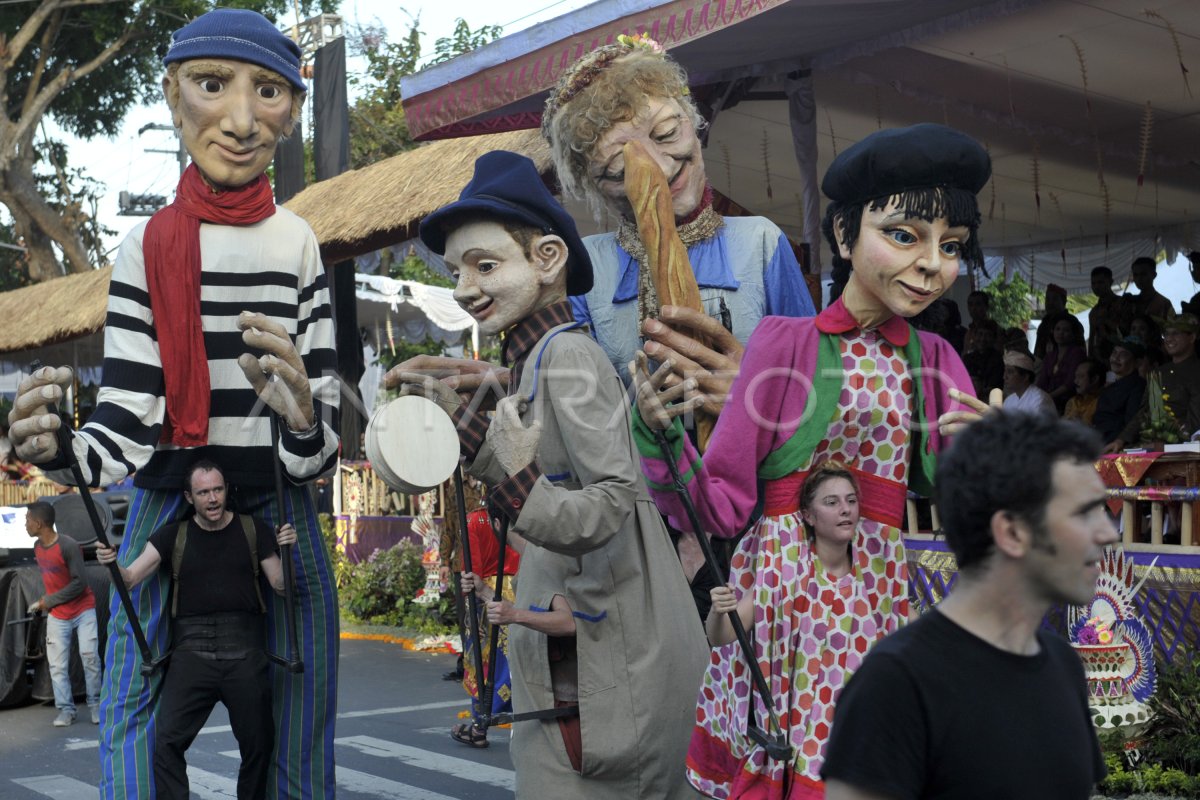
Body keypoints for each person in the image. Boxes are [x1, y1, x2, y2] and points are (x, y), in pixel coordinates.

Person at [5, 10, 341, 799]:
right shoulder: (144, 246)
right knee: (128, 695)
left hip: (277, 494)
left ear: (291, 110)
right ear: (171, 93)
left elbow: (320, 427)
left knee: (305, 697)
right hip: (165, 493)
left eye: (267, 93)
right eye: (212, 85)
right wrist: (60, 450)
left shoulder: (298, 243)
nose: (239, 119)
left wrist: (299, 415)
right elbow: (128, 411)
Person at [634, 122, 987, 797]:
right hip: (781, 601)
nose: (932, 264)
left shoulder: (937, 360)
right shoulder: (783, 343)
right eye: (906, 236)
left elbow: (971, 510)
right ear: (846, 237)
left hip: (879, 597)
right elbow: (723, 504)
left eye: (953, 247)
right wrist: (662, 439)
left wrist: (994, 454)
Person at [393, 150, 708, 797]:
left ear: (546, 259)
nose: (464, 288)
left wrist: (509, 467)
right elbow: (532, 478)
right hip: (589, 654)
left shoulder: (568, 356)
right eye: (457, 271)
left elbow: (611, 501)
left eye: (485, 265)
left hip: (612, 661)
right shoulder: (539, 359)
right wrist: (472, 435)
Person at [820, 411, 1114, 800]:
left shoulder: (1063, 665)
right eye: (1083, 512)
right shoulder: (896, 683)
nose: (1109, 532)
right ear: (1011, 532)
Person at [541, 34, 816, 389]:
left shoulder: (760, 241)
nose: (660, 170)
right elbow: (580, 398)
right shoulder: (585, 267)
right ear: (593, 186)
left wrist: (753, 393)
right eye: (618, 170)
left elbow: (811, 379)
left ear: (691, 118)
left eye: (667, 133)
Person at [96, 460, 296, 800]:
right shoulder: (173, 535)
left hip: (245, 653)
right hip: (191, 655)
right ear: (190, 497)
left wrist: (287, 551)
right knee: (167, 742)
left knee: (259, 745)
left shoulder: (254, 529)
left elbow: (280, 585)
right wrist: (111, 562)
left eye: (218, 490)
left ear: (227, 490)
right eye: (204, 492)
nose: (213, 498)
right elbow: (130, 579)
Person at [692, 463, 871, 798]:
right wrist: (719, 611)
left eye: (850, 500)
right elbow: (720, 637)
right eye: (831, 502)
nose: (845, 509)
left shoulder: (876, 582)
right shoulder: (786, 575)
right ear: (808, 515)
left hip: (859, 739)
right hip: (801, 744)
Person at [450, 505, 521, 749]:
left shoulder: (473, 521)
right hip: (523, 589)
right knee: (518, 660)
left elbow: (472, 574)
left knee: (484, 665)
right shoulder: (524, 513)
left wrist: (472, 607)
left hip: (489, 595)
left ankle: (480, 726)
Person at [25, 501, 101, 727]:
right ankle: (66, 710)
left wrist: (46, 601)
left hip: (83, 609)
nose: (25, 525)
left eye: (27, 520)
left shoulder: (68, 546)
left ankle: (96, 705)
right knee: (57, 665)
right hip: (59, 615)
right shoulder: (37, 548)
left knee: (90, 658)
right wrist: (49, 602)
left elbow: (80, 583)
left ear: (39, 523)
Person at [1109, 313, 1200, 451]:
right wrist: (1121, 439)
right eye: (1166, 334)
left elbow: (1196, 421)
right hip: (1149, 444)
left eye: (1175, 333)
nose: (1169, 339)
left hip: (1183, 448)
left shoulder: (1196, 371)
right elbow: (1144, 412)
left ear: (1192, 337)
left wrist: (1169, 446)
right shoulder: (1158, 372)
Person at [1092, 337, 1148, 449]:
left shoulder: (1138, 386)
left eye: (1123, 354)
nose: (1115, 358)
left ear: (1138, 362)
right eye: (1114, 352)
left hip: (1114, 445)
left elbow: (1131, 421)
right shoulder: (1111, 387)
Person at [1036, 316, 1086, 413]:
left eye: (1066, 330)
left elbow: (1070, 383)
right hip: (1048, 400)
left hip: (1069, 401)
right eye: (1057, 329)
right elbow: (1042, 381)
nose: (1060, 333)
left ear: (1073, 334)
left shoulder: (1077, 353)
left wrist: (1049, 397)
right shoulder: (1050, 356)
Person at [1002, 350, 1057, 417]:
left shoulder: (1040, 399)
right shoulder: (1009, 400)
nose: (1004, 377)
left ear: (1025, 377)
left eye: (1010, 372)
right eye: (1005, 371)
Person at [1088, 266, 1122, 361]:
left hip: (1122, 356)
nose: (1096, 287)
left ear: (1110, 282)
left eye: (1100, 282)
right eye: (1093, 283)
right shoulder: (1093, 312)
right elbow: (1091, 339)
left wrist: (1106, 320)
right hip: (1100, 360)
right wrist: (1090, 359)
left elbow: (1127, 331)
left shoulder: (1123, 304)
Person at [1125, 256, 1175, 321]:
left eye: (1143, 274)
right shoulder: (1130, 302)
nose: (1139, 279)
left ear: (1154, 275)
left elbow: (1172, 328)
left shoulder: (1164, 303)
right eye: (1135, 275)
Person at [1032, 283, 1071, 360]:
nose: (1050, 303)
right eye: (1047, 299)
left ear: (1063, 302)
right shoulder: (1044, 324)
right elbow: (1038, 351)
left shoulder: (1071, 322)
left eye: (1054, 299)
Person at [1063, 359, 1105, 425]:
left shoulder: (1103, 404)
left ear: (1094, 379)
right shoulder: (1072, 401)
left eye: (1080, 376)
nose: (1075, 381)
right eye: (1076, 376)